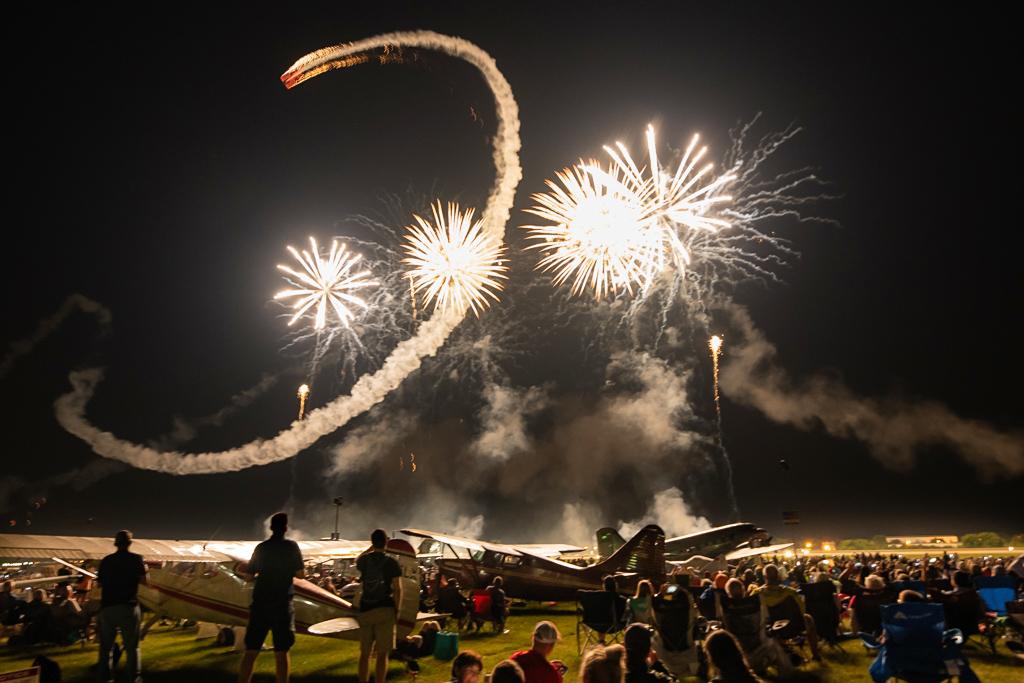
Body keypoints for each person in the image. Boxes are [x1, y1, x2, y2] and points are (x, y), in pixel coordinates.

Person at [239, 513, 305, 683]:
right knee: (281, 652)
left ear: (271, 528)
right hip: (282, 604)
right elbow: (300, 574)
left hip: (261, 603)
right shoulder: (291, 547)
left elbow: (249, 577)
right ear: (285, 528)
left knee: (251, 651)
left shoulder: (261, 548)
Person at [97, 530, 147, 683]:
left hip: (107, 607)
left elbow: (99, 584)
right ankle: (133, 677)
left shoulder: (106, 560)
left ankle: (105, 678)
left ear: (116, 543)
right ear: (129, 543)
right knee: (132, 646)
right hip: (128, 606)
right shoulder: (136, 559)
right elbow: (145, 581)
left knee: (106, 647)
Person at [356, 529, 403, 683]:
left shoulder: (364, 561)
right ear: (386, 542)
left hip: (366, 609)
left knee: (365, 654)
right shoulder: (392, 563)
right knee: (382, 654)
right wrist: (397, 610)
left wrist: (370, 549)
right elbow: (398, 589)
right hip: (385, 609)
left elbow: (358, 559)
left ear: (372, 542)